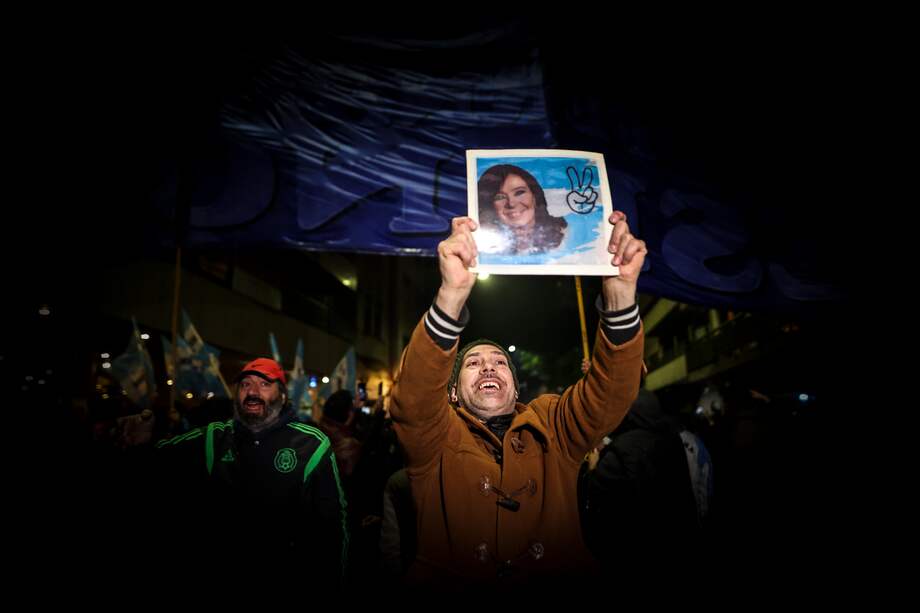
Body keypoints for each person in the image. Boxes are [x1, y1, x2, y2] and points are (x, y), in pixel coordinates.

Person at [389, 211, 646, 588]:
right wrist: (451, 297)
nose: (488, 368)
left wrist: (621, 297)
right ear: (453, 392)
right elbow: (413, 398)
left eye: (499, 363)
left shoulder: (553, 425)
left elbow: (609, 393)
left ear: (515, 387)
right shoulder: (434, 438)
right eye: (473, 363)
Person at [152, 357, 348, 584]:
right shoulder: (215, 437)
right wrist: (142, 438)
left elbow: (333, 524)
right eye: (245, 384)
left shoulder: (311, 443)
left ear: (282, 396)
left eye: (264, 384)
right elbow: (154, 461)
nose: (252, 392)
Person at [477, 164, 567, 255]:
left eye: (519, 192)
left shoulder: (566, 234)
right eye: (500, 197)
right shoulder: (481, 244)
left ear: (535, 196)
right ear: (489, 205)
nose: (511, 203)